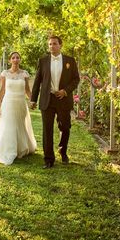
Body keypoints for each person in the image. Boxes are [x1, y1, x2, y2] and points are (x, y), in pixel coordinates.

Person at [30, 35, 80, 168]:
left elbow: (76, 79)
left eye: (54, 44)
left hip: (63, 99)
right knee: (47, 129)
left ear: (60, 45)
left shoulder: (70, 60)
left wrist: (65, 91)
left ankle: (63, 151)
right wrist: (33, 99)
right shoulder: (43, 61)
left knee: (65, 127)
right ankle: (48, 159)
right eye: (50, 44)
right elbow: (37, 81)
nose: (52, 46)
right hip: (48, 99)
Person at [0, 52, 37, 165]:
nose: (15, 59)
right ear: (10, 60)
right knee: (9, 126)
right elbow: (1, 90)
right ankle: (8, 150)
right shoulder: (5, 74)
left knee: (19, 125)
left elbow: (27, 90)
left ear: (20, 60)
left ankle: (20, 148)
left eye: (17, 57)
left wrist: (32, 101)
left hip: (20, 103)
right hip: (8, 103)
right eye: (13, 58)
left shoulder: (24, 74)